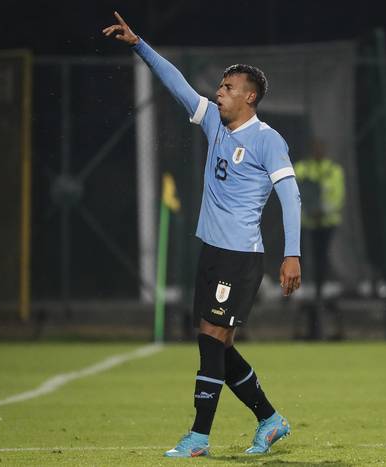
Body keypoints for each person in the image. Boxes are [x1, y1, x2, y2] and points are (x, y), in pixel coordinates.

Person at [103, 12, 301, 458]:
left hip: (239, 257)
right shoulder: (214, 122)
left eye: (228, 88)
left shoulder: (268, 139)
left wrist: (293, 254)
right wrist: (139, 45)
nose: (219, 92)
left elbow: (292, 197)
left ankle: (198, 438)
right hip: (213, 252)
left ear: (249, 97)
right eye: (221, 87)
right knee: (214, 345)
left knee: (211, 341)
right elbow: (176, 85)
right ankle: (270, 420)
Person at [294, 140, 345, 338]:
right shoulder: (301, 168)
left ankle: (323, 291)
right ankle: (309, 289)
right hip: (307, 224)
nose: (318, 151)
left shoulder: (334, 170)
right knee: (310, 260)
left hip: (327, 224)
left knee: (323, 259)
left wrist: (321, 211)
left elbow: (338, 197)